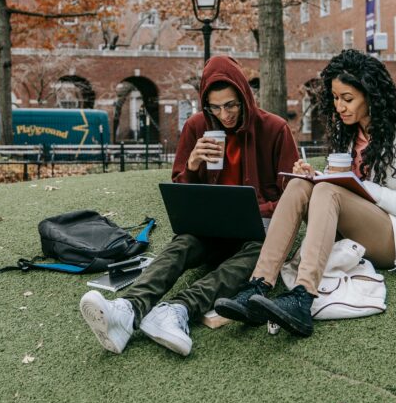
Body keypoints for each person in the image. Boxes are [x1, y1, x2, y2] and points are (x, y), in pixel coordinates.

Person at [79, 55, 298, 356]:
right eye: (216, 107)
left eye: (232, 105)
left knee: (261, 250)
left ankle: (178, 309)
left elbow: (293, 197)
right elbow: (181, 193)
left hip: (256, 231)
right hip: (211, 229)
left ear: (245, 97)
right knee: (183, 242)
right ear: (205, 104)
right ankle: (127, 309)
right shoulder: (196, 126)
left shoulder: (275, 129)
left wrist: (255, 210)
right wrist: (193, 164)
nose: (225, 114)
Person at [215, 49, 396, 337]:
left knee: (327, 192)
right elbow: (344, 187)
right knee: (301, 184)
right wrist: (316, 176)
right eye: (335, 98)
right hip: (354, 226)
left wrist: (357, 187)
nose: (340, 107)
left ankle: (302, 296)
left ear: (371, 95)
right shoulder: (349, 134)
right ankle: (258, 285)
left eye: (348, 99)